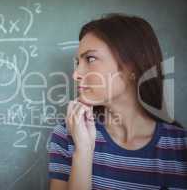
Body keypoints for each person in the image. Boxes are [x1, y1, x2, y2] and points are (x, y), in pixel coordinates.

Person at [47, 13, 187, 190]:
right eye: (77, 63)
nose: (76, 74)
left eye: (90, 59)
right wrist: (83, 151)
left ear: (133, 68)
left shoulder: (180, 148)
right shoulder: (66, 135)